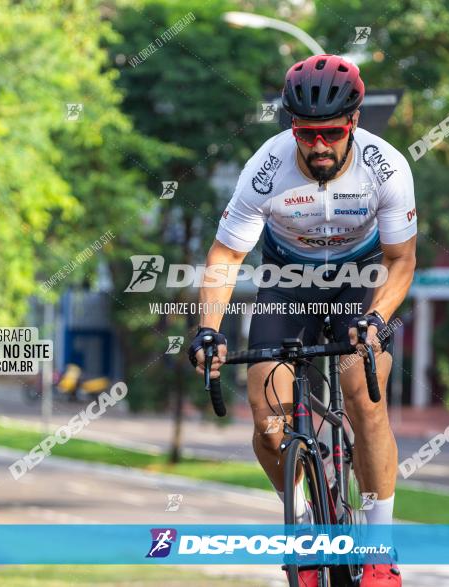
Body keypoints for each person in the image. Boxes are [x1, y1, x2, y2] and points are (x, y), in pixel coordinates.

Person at [188, 54, 417, 586]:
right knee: (267, 419)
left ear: (354, 123)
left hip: (361, 277)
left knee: (364, 389)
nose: (317, 146)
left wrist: (377, 320)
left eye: (331, 133)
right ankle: (310, 526)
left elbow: (401, 261)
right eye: (305, 134)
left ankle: (380, 549)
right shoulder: (266, 169)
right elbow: (225, 259)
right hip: (289, 282)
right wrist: (209, 328)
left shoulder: (387, 167)